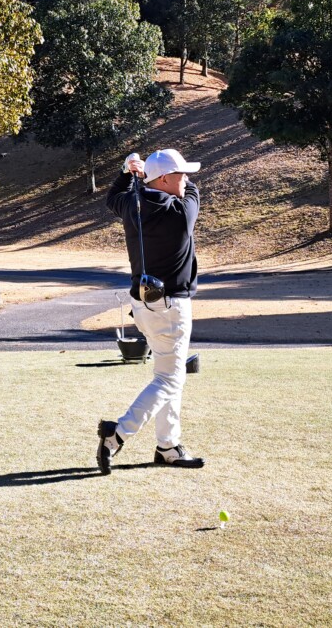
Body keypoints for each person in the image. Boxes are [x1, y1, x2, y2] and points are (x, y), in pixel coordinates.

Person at [98, 148, 204, 475]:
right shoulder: (180, 211)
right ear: (167, 179)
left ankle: (168, 446)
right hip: (171, 307)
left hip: (142, 305)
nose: (187, 179)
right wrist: (143, 176)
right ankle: (116, 435)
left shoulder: (133, 205)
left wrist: (130, 173)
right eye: (181, 174)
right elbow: (194, 194)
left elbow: (113, 197)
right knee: (169, 379)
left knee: (170, 374)